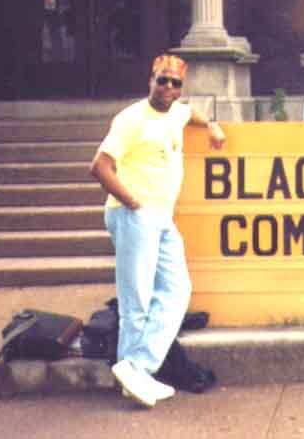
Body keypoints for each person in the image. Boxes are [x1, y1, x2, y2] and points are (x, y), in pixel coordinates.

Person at [89, 54, 226, 409]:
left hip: (162, 217)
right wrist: (132, 201)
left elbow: (190, 113)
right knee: (136, 301)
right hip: (134, 214)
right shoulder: (131, 119)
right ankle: (135, 375)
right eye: (162, 80)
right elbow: (100, 166)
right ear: (149, 80)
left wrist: (211, 125)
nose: (168, 88)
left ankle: (136, 369)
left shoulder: (177, 112)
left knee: (178, 289)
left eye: (175, 83)